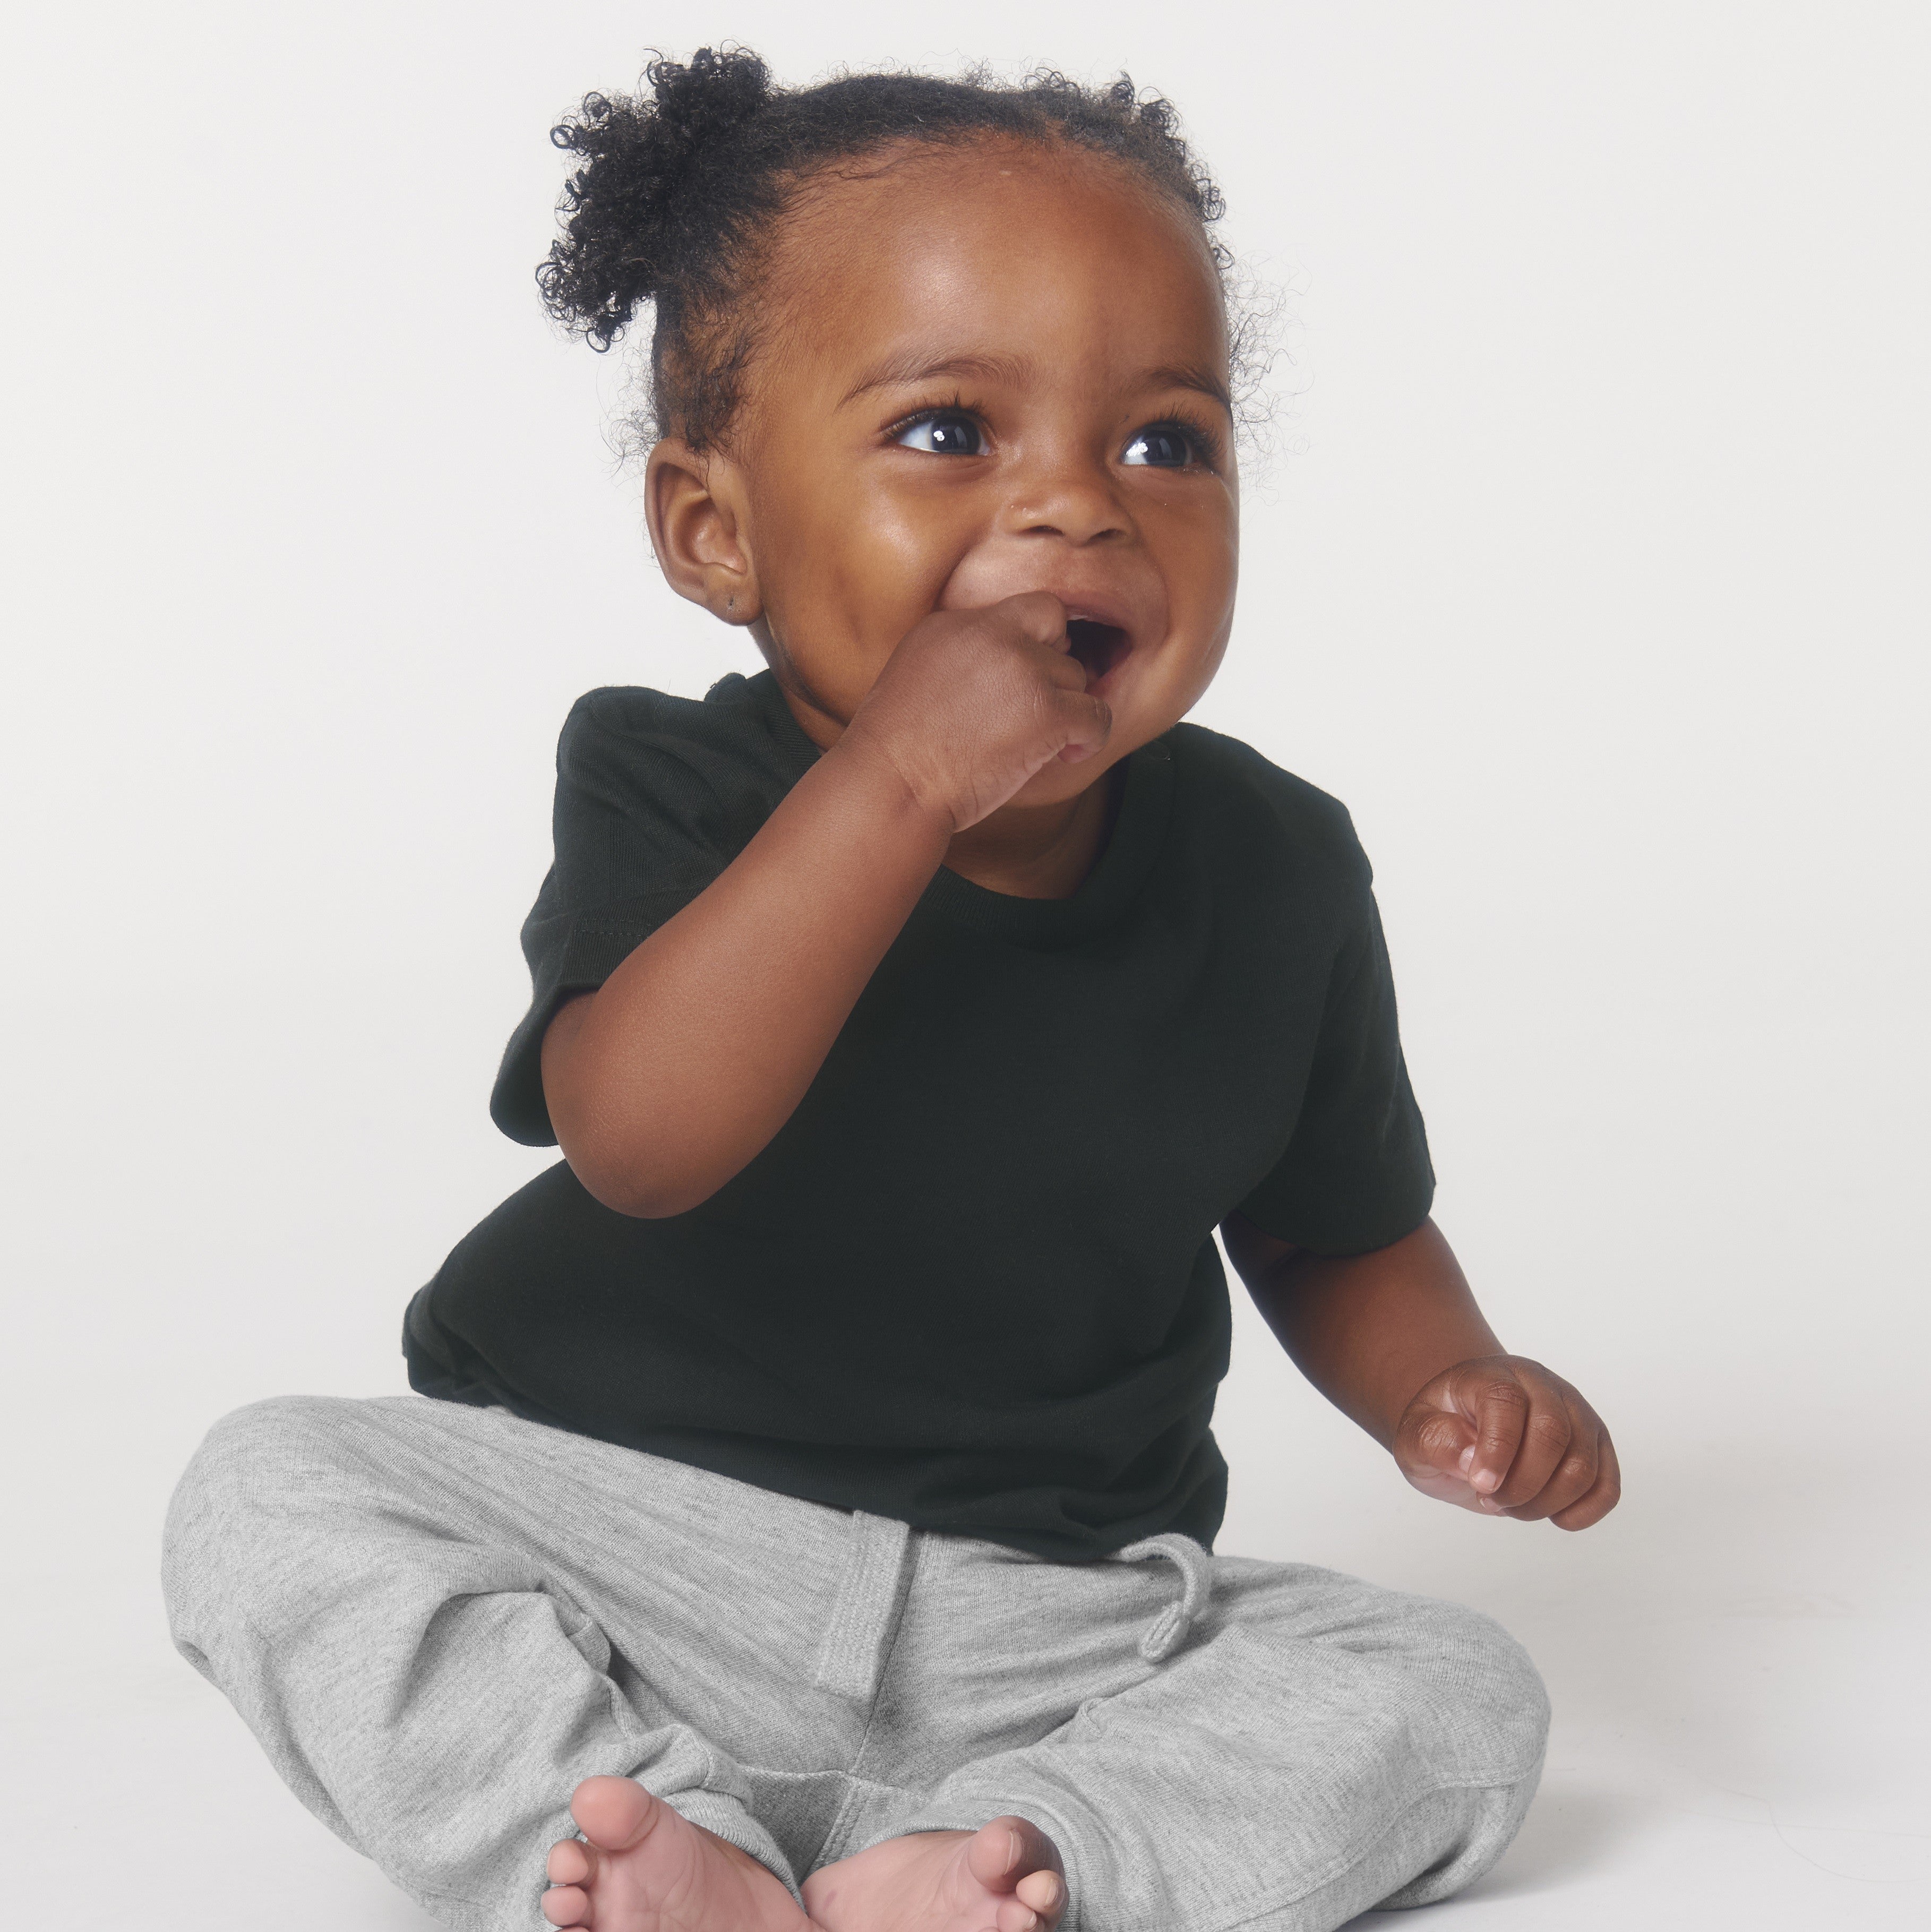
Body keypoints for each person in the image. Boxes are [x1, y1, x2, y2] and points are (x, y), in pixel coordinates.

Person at [162, 49, 1620, 1932]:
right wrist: (900, 785)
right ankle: (615, 1837)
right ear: (716, 530)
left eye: (1166, 445)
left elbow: (1333, 1224)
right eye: (951, 430)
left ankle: (1004, 1859)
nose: (1080, 506)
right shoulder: (673, 784)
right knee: (265, 1492)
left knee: (1459, 1692)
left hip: (1057, 1628)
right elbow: (642, 1140)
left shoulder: (1274, 863)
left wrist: (1450, 1384)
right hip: (629, 1563)